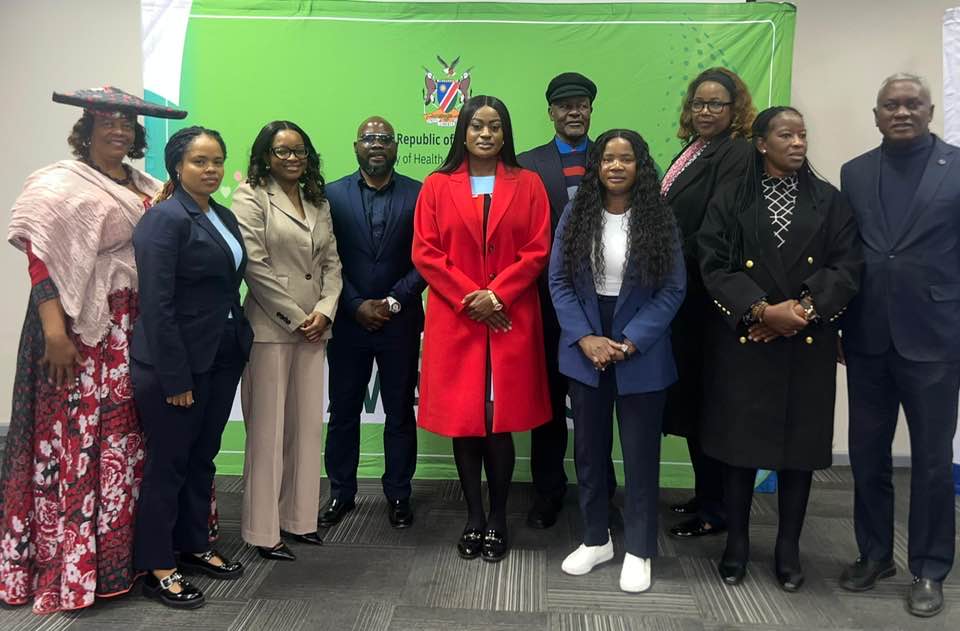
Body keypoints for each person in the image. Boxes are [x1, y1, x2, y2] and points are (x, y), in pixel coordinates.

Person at [0, 87, 184, 615]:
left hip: (132, 326)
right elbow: (40, 257)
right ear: (86, 129)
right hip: (80, 327)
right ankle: (73, 564)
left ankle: (127, 557)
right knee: (80, 437)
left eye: (126, 124)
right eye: (107, 123)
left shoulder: (145, 185)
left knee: (126, 439)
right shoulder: (57, 183)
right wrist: (55, 333)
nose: (118, 131)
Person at [697, 106, 862, 591]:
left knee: (799, 453)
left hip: (806, 344)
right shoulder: (732, 197)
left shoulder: (829, 200)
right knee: (740, 450)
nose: (798, 143)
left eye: (802, 135)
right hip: (747, 342)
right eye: (786, 135)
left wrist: (801, 311)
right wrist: (762, 312)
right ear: (761, 143)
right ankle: (737, 545)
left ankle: (788, 549)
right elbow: (714, 262)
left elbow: (847, 265)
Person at [839, 73, 960, 618]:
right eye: (891, 105)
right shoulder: (856, 172)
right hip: (868, 336)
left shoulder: (956, 167)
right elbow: (849, 254)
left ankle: (930, 568)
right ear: (877, 115)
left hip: (935, 337)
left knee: (932, 462)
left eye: (913, 104)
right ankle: (874, 554)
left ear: (930, 111)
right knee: (867, 455)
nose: (902, 112)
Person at [412, 95, 551, 562]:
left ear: (506, 133)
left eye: (494, 126)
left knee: (497, 423)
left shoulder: (528, 184)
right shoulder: (436, 185)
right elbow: (426, 252)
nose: (486, 134)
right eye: (476, 126)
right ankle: (473, 517)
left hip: (510, 318)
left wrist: (498, 295)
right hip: (458, 319)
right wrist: (474, 297)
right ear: (463, 133)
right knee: (466, 423)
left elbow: (537, 248)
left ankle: (498, 518)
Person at [550, 129, 686, 593]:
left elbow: (673, 288)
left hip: (641, 349)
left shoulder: (659, 216)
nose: (615, 166)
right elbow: (558, 282)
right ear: (596, 165)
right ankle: (596, 539)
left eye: (626, 159)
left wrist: (630, 342)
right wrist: (585, 337)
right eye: (608, 158)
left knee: (640, 455)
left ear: (640, 166)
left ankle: (639, 549)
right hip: (585, 346)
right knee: (589, 453)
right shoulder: (576, 213)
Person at [131, 126, 254, 609]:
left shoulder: (221, 214)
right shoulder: (163, 220)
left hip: (220, 354)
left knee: (202, 457)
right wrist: (175, 376)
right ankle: (158, 566)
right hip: (176, 364)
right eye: (200, 161)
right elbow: (156, 305)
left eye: (217, 160)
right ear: (177, 166)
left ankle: (194, 544)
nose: (211, 169)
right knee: (169, 463)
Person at [231, 120, 342, 560]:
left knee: (306, 429)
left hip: (315, 329)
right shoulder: (251, 196)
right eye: (283, 151)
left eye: (299, 151)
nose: (293, 158)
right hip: (271, 330)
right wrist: (297, 318)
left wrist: (325, 311)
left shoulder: (317, 199)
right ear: (265, 157)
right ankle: (263, 530)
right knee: (268, 433)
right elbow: (254, 266)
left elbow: (332, 263)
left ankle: (299, 519)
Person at [517, 72, 618, 530]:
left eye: (582, 104)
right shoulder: (527, 165)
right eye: (565, 105)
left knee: (597, 412)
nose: (574, 112)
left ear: (591, 109)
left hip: (602, 309)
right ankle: (547, 493)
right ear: (551, 112)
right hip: (544, 306)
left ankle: (602, 497)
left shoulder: (613, 158)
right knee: (548, 408)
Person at [661, 68, 755, 540]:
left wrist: (667, 259)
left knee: (709, 405)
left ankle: (717, 509)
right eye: (698, 102)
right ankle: (706, 496)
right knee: (694, 402)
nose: (705, 111)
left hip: (706, 294)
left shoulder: (737, 152)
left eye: (716, 104)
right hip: (685, 293)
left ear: (735, 109)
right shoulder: (696, 149)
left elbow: (718, 225)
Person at [323, 116, 424, 529]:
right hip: (349, 323)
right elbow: (325, 257)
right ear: (356, 146)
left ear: (396, 146)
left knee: (399, 412)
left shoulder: (420, 193)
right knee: (343, 410)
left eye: (384, 138)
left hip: (400, 322)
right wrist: (354, 304)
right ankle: (340, 492)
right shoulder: (331, 195)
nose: (377, 144)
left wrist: (394, 301)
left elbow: (427, 257)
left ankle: (398, 493)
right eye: (369, 138)